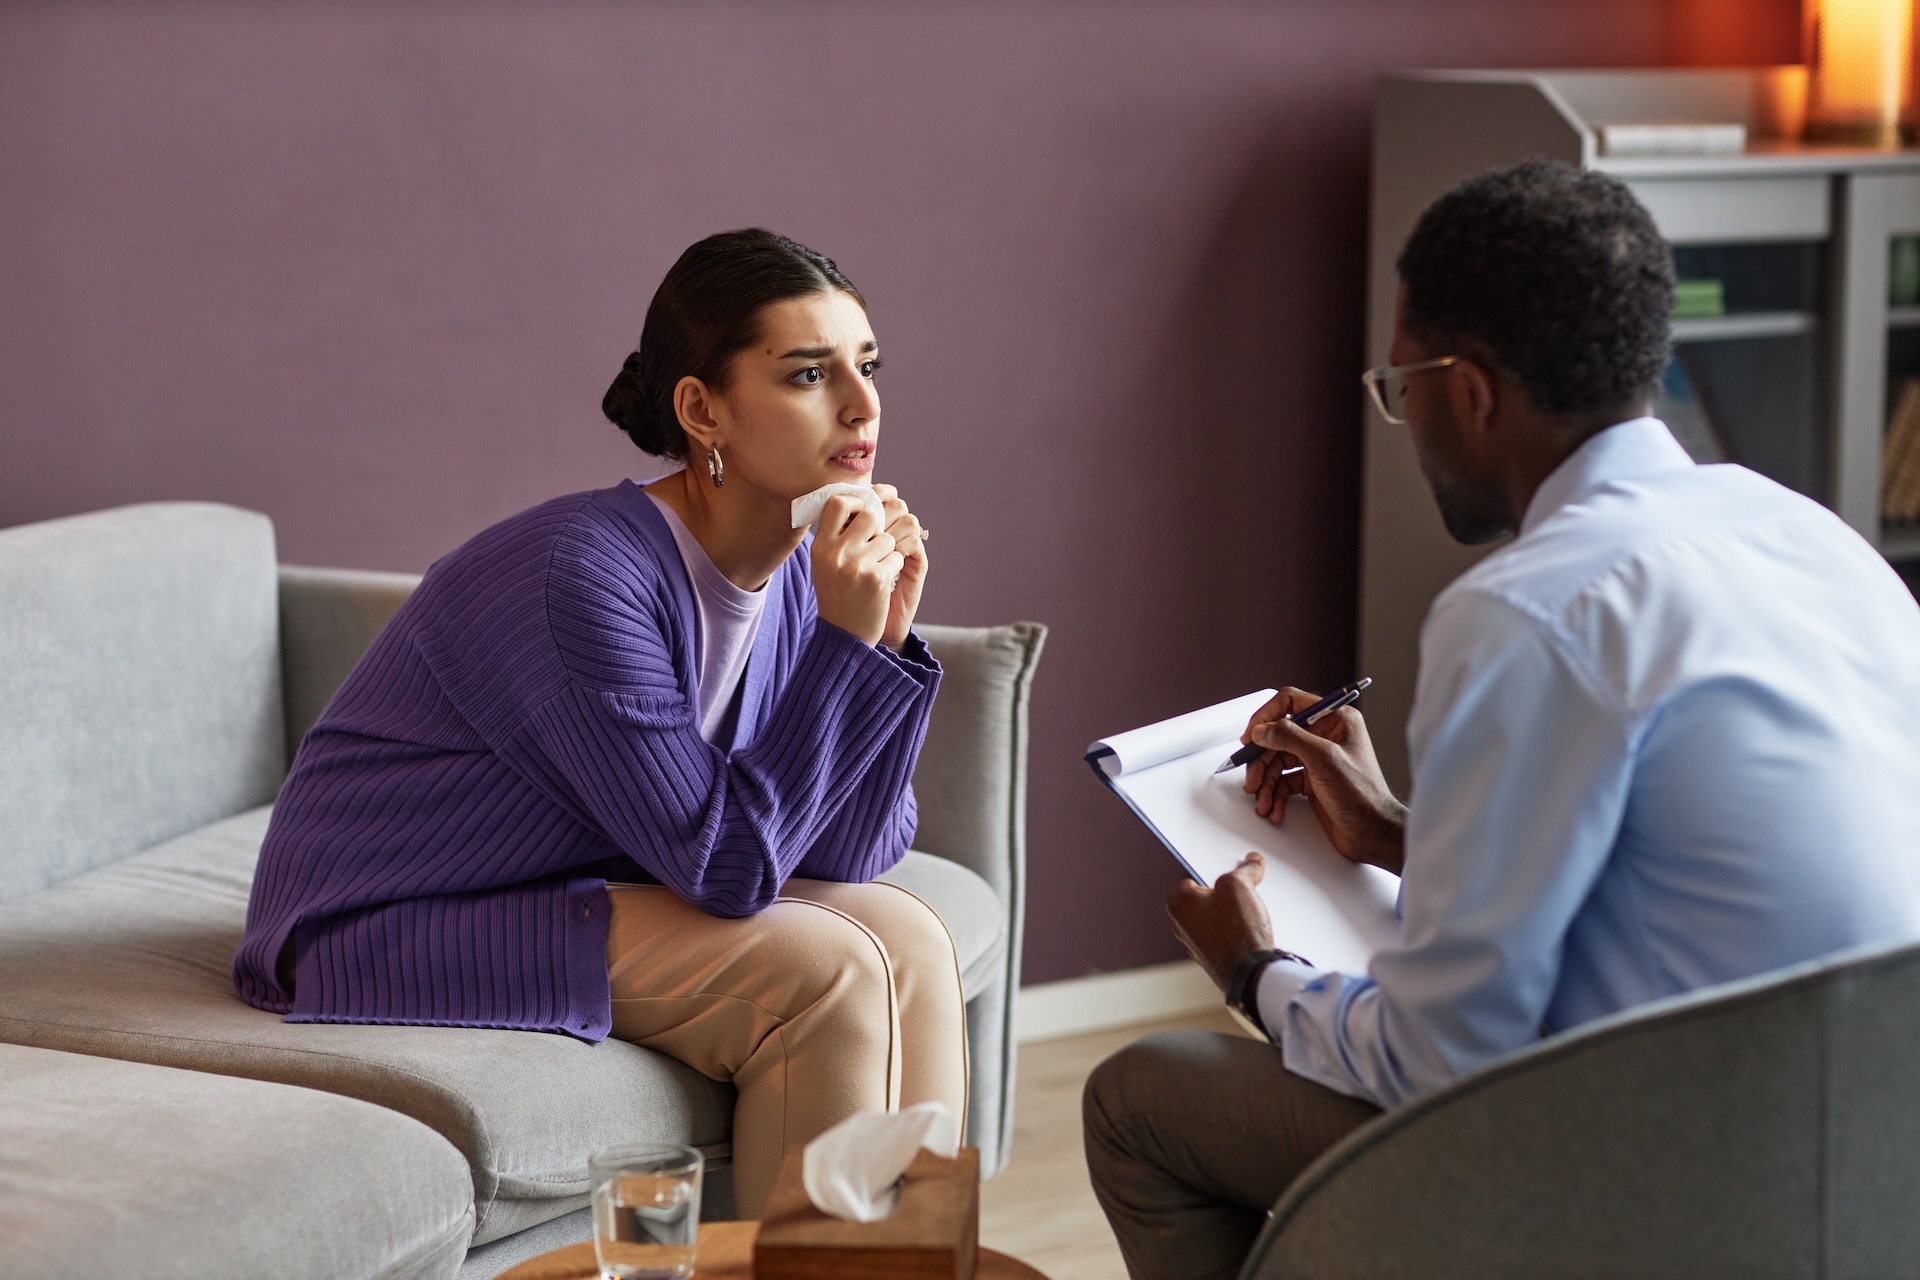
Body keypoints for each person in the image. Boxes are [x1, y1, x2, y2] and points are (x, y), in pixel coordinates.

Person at [1083, 158, 1920, 1279]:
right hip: (1866, 1176)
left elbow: (1442, 1062)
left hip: (1664, 1198)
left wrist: (1258, 974)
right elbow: (1672, 880)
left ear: (1469, 387)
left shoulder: (1529, 609)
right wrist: (1392, 830)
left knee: (1140, 1096)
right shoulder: (1811, 537)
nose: (1405, 414)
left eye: (1402, 383)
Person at [233, 229, 967, 1218]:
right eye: (808, 373)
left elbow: (848, 846)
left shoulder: (799, 572)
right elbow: (731, 867)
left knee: (909, 936)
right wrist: (844, 646)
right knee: (828, 969)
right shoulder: (581, 574)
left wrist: (878, 645)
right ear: (703, 408)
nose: (863, 403)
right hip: (381, 915)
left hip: (574, 879)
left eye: (866, 365)